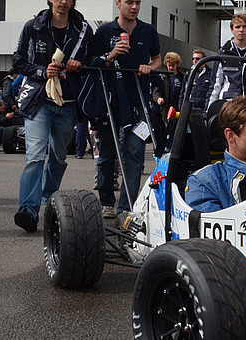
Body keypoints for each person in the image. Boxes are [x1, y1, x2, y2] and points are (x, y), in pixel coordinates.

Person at [12, 0, 93, 232]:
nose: (64, 2)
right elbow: (18, 60)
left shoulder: (84, 30)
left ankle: (49, 200)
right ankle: (28, 209)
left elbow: (93, 60)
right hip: (39, 100)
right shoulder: (33, 26)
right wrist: (41, 71)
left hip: (67, 103)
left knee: (58, 156)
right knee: (35, 156)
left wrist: (80, 64)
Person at [90, 0, 161, 219]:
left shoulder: (148, 31)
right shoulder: (104, 31)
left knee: (134, 153)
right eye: (129, 2)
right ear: (118, 4)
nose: (134, 7)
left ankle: (126, 206)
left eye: (138, 3)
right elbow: (92, 62)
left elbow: (157, 59)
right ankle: (106, 201)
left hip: (138, 100)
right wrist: (110, 56)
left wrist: (150, 67)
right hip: (110, 99)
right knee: (107, 153)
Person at [152, 51, 184, 152]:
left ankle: (170, 150)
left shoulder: (182, 78)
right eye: (169, 65)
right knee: (159, 130)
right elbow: (156, 92)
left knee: (173, 131)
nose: (171, 68)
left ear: (177, 65)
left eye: (173, 65)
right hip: (163, 109)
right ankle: (158, 150)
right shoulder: (162, 76)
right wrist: (158, 99)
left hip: (176, 110)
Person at [186, 49, 213, 115]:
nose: (195, 61)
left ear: (204, 60)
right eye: (193, 59)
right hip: (189, 108)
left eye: (197, 58)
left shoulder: (210, 73)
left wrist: (206, 109)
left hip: (202, 109)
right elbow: (183, 92)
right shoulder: (189, 73)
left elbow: (211, 92)